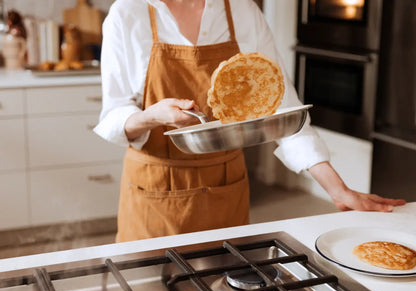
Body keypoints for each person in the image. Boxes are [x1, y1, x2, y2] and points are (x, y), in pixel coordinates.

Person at [94, 0, 405, 242]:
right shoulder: (128, 13)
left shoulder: (241, 10)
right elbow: (113, 116)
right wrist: (152, 116)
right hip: (155, 191)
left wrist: (337, 189)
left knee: (227, 287)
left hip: (224, 188)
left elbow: (283, 112)